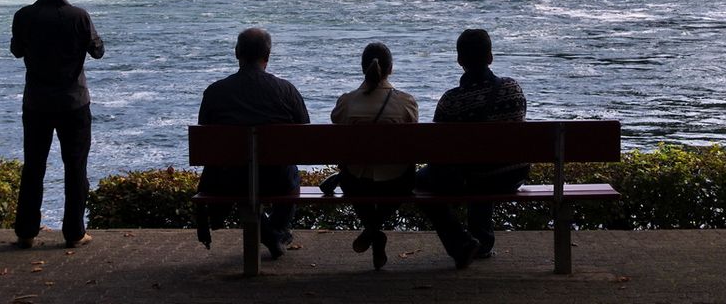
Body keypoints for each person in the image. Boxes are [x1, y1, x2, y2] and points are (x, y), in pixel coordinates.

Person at [10, 0, 105, 249]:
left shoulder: (25, 15)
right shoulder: (79, 16)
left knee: (34, 166)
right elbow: (98, 51)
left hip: (37, 102)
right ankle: (74, 232)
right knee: (75, 167)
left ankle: (26, 231)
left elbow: (16, 51)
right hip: (73, 102)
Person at [416, 28, 529, 269]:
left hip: (474, 176)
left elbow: (437, 149)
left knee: (418, 181)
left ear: (459, 61)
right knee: (485, 164)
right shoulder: (513, 89)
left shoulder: (451, 100)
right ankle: (483, 242)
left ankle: (461, 243)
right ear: (490, 57)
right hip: (512, 173)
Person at [196, 27, 310, 259]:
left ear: (237, 52)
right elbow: (304, 135)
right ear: (267, 56)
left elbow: (205, 136)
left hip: (228, 182)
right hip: (276, 180)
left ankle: (271, 234)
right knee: (290, 173)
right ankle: (275, 231)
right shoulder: (286, 91)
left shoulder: (215, 92)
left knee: (242, 176)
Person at [330, 42, 418, 270]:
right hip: (396, 183)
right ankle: (374, 231)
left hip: (358, 182)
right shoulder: (406, 102)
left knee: (349, 175)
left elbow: (336, 125)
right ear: (391, 68)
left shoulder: (346, 102)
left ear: (363, 68)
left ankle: (373, 231)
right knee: (406, 177)